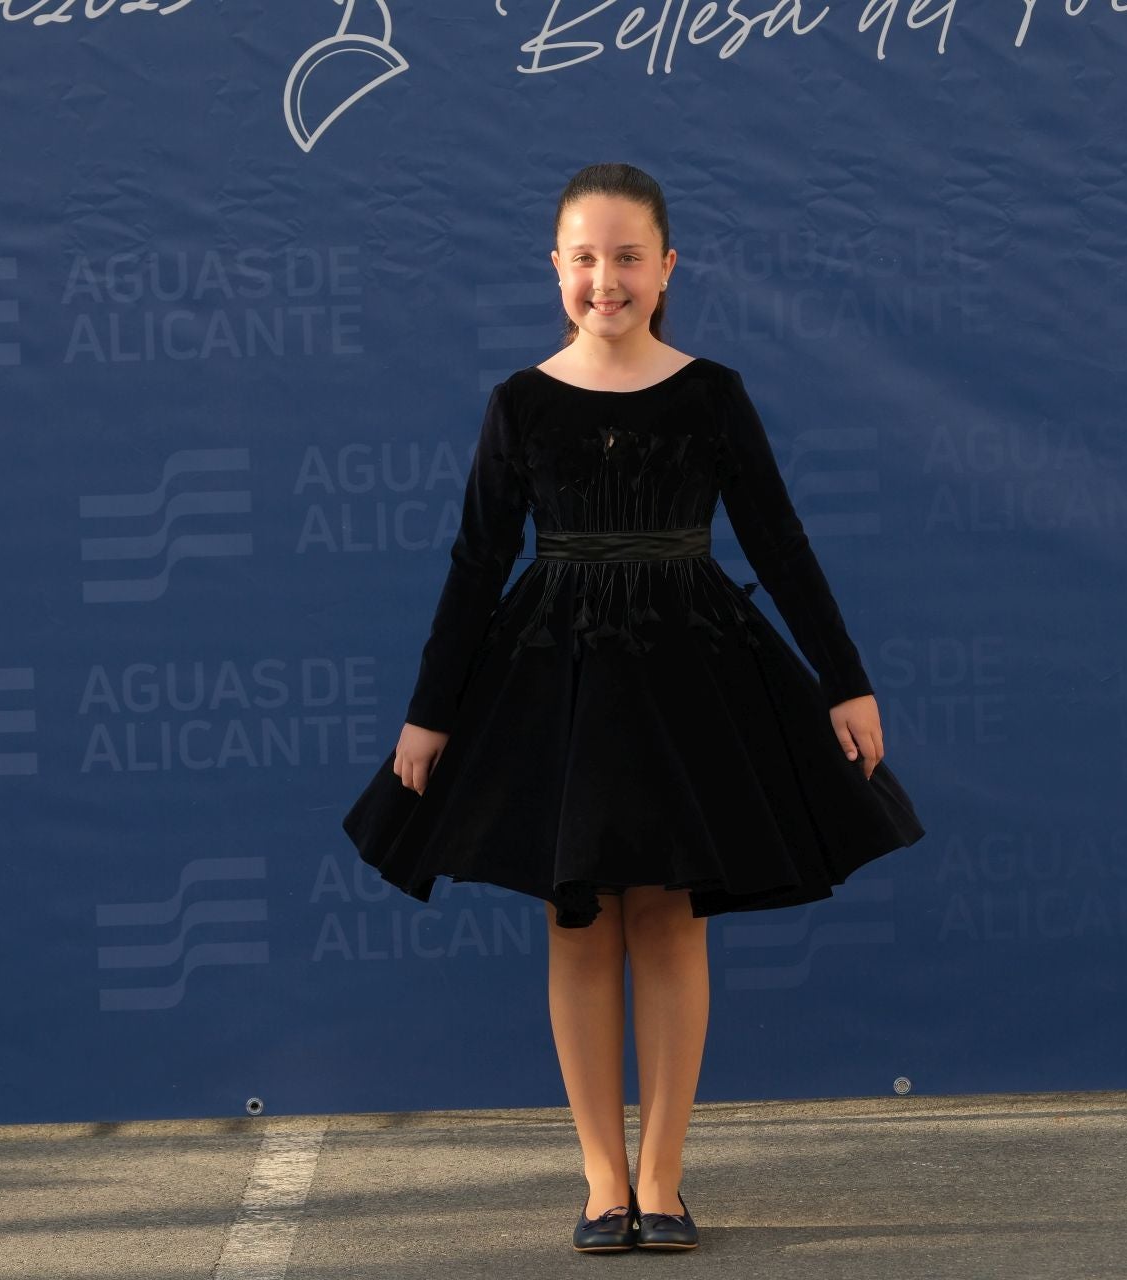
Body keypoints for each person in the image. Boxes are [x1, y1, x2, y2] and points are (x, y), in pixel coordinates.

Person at [342, 162, 926, 1254]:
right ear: (554, 268)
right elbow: (476, 563)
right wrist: (429, 711)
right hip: (556, 678)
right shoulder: (519, 402)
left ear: (667, 270)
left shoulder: (712, 393)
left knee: (666, 915)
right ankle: (601, 1176)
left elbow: (779, 543)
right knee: (578, 919)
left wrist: (845, 677)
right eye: (585, 257)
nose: (605, 279)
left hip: (687, 673)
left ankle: (663, 1175)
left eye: (627, 257)